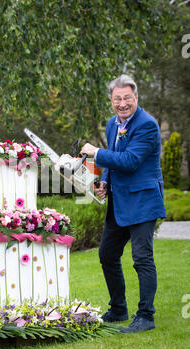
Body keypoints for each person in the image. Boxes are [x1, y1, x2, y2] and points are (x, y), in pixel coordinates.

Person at [80, 74, 166, 333]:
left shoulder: (147, 125)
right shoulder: (111, 124)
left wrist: (95, 152)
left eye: (127, 98)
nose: (122, 103)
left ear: (136, 97)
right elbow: (114, 159)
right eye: (117, 99)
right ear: (111, 100)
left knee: (142, 259)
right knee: (107, 254)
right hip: (119, 201)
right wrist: (105, 180)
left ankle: (146, 316)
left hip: (142, 201)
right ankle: (118, 309)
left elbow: (129, 161)